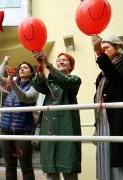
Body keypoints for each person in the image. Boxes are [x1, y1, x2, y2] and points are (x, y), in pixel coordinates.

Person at [31, 52, 82, 180]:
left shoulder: (74, 80)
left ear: (71, 66)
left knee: (69, 168)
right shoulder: (51, 83)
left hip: (67, 128)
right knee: (51, 170)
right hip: (49, 129)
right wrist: (41, 66)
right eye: (58, 60)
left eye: (65, 60)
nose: (60, 61)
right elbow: (39, 85)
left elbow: (65, 81)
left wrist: (48, 64)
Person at [92, 35, 123, 180]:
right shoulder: (101, 75)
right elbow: (98, 102)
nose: (103, 51)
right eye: (101, 48)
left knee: (121, 170)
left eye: (106, 48)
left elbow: (117, 77)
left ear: (118, 48)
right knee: (104, 167)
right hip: (104, 124)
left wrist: (99, 53)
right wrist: (96, 127)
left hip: (119, 123)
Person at [0, 56, 39, 180]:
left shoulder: (35, 87)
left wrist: (13, 83)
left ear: (31, 73)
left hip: (23, 131)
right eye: (20, 68)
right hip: (5, 130)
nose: (22, 69)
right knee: (10, 165)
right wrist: (5, 61)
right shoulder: (11, 85)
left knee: (26, 166)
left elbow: (24, 98)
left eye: (25, 67)